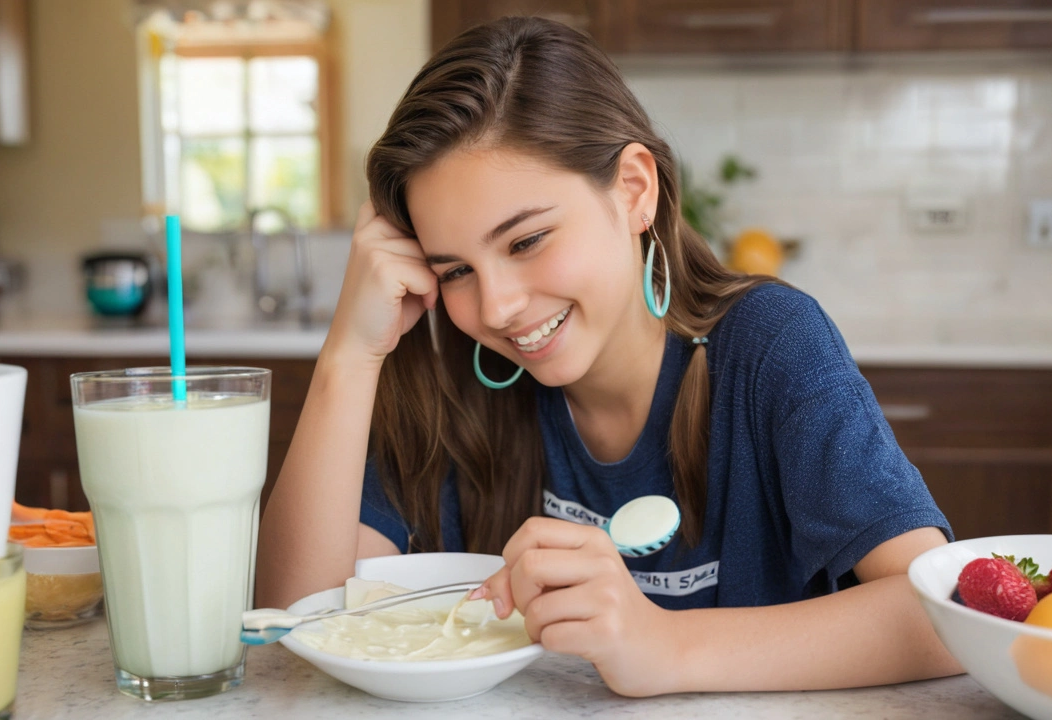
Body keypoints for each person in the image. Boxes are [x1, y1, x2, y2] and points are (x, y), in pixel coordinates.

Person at [255, 15, 962, 697]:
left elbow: (943, 618)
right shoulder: (446, 371)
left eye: (526, 241)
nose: (497, 308)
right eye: (455, 270)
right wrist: (348, 353)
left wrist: (664, 646)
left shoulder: (772, 346)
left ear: (633, 191)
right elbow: (295, 623)